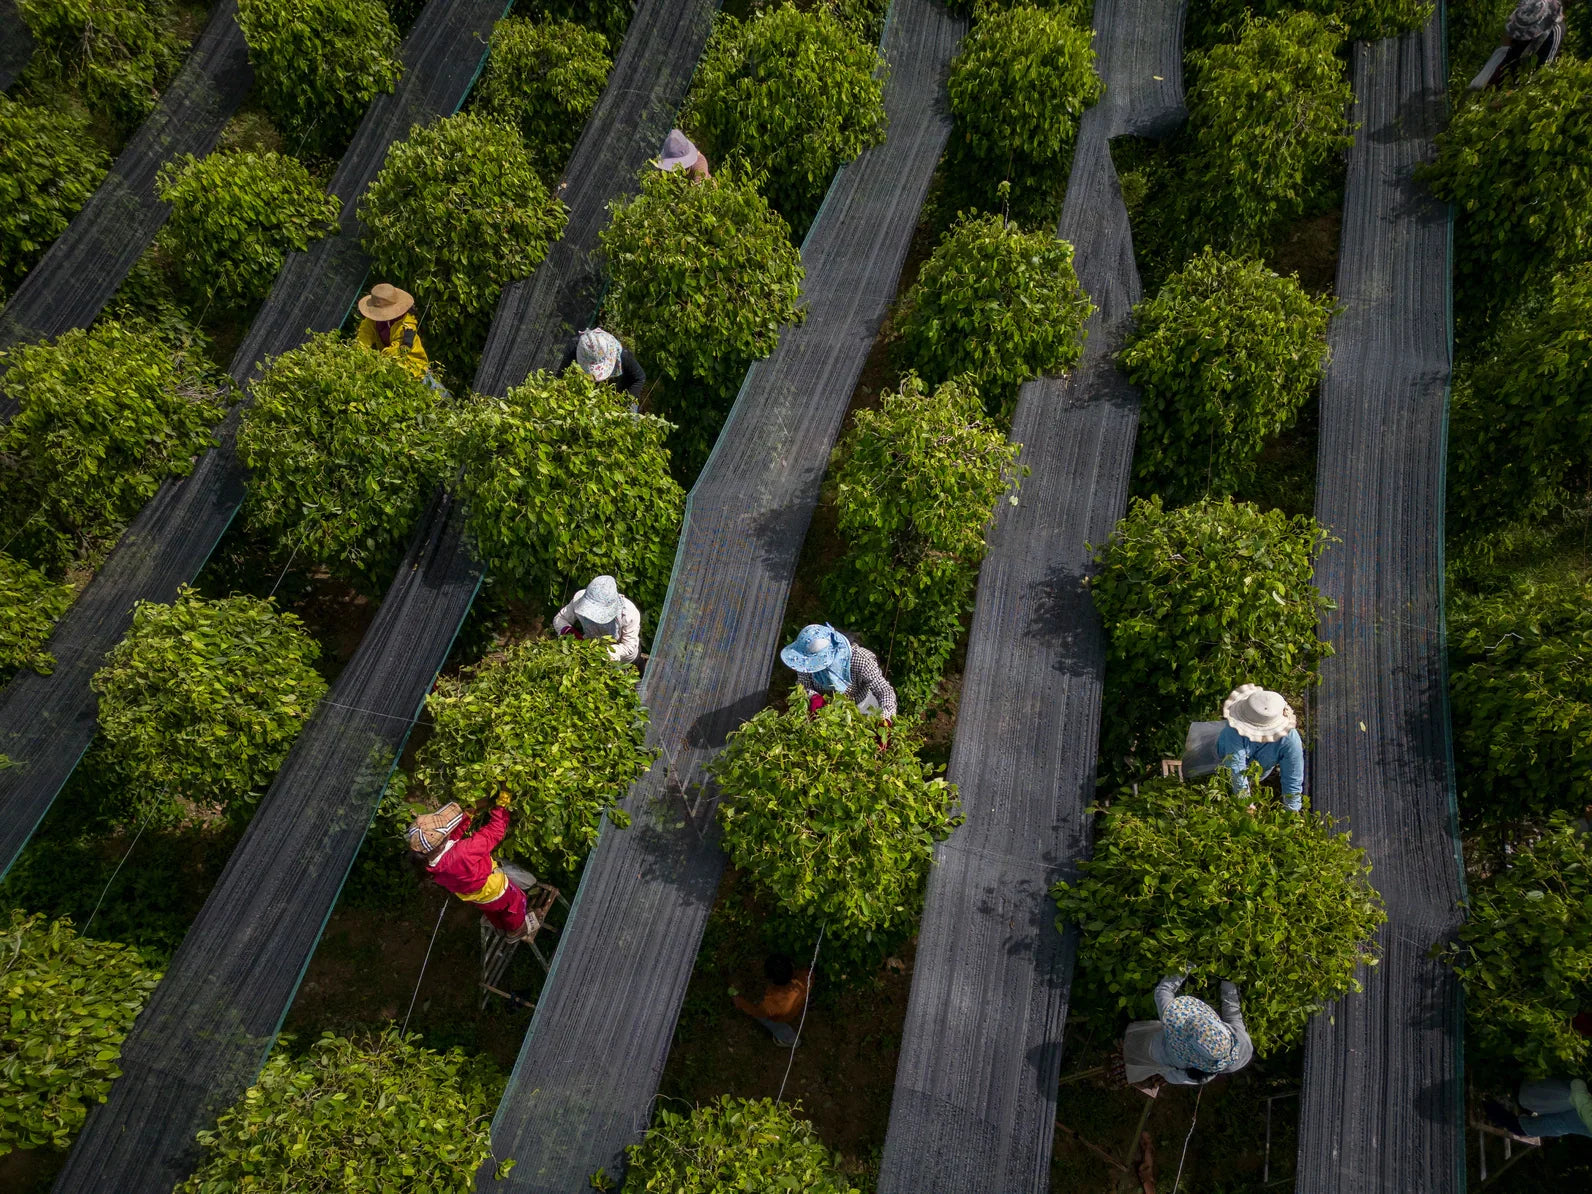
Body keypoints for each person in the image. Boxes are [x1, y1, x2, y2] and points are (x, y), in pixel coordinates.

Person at [407, 794, 554, 942]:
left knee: (493, 911)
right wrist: (502, 801)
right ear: (441, 842)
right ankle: (515, 930)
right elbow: (494, 832)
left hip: (476, 897)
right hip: (495, 889)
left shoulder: (428, 863)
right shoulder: (463, 853)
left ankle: (500, 926)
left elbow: (453, 835)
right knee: (515, 903)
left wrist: (471, 812)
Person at [1122, 973, 1254, 1088]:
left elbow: (1163, 990)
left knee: (1136, 1041)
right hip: (1157, 1056)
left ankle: (1125, 1042)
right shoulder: (1239, 1043)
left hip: (1153, 1046)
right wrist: (1228, 981)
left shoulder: (1175, 1023)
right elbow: (1171, 1077)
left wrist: (1185, 964)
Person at [780, 623, 897, 720]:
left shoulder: (860, 659)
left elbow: (884, 690)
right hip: (825, 711)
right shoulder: (804, 659)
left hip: (862, 707)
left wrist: (886, 720)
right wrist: (814, 697)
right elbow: (803, 684)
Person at [1217, 684, 1305, 812]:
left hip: (1254, 776)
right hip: (1219, 758)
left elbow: (1293, 778)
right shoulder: (1234, 731)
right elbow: (1236, 767)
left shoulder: (1290, 740)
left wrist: (1292, 814)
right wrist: (1246, 804)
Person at [552, 574, 643, 665]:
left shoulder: (628, 613)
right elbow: (560, 618)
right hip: (589, 650)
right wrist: (572, 635)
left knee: (639, 672)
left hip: (624, 658)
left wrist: (601, 652)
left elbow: (628, 646)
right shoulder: (579, 601)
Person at [1471, 0, 1564, 88]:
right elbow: (1507, 40)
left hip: (1526, 72)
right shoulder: (1529, 7)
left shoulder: (1553, 32)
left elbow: (1540, 72)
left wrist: (1511, 94)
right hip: (1510, 61)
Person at [355, 283, 432, 381]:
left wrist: (376, 360)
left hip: (415, 371)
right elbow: (362, 339)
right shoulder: (371, 322)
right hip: (392, 371)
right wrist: (359, 356)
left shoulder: (406, 325)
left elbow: (397, 350)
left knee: (441, 395)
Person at [732, 953, 810, 1047]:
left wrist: (740, 1002)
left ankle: (791, 1040)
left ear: (770, 979)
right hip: (799, 1004)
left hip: (781, 1017)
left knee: (774, 1024)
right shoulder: (805, 978)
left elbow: (757, 1012)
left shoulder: (771, 1005)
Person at [1486, 1077, 1592, 1139]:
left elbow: (1579, 1094)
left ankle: (1487, 1102)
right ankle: (1492, 1101)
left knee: (1524, 1127)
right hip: (1568, 1107)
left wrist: (1578, 1081)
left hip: (1569, 1109)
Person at [557, 328, 646, 401]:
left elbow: (640, 378)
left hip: (626, 388)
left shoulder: (623, 356)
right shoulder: (576, 347)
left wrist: (624, 404)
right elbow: (560, 375)